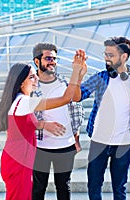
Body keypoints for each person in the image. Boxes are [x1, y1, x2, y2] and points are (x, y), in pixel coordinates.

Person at [0, 50, 87, 200]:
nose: (36, 78)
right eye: (32, 76)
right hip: (18, 162)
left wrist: (44, 125)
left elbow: (25, 125)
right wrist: (76, 71)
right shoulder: (24, 102)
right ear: (20, 81)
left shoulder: (20, 100)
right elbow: (66, 98)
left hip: (18, 158)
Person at [73, 36, 130, 200]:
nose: (106, 58)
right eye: (105, 54)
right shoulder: (101, 77)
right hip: (99, 141)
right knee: (94, 186)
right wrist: (78, 74)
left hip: (124, 143)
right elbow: (77, 96)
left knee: (119, 189)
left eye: (111, 55)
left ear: (124, 56)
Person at [31, 43, 84, 200]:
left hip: (66, 146)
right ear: (36, 61)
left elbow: (75, 101)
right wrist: (44, 125)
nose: (52, 62)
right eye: (48, 58)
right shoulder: (30, 85)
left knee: (64, 186)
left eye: (54, 59)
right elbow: (24, 118)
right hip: (40, 147)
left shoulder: (64, 82)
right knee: (38, 188)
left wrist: (76, 137)